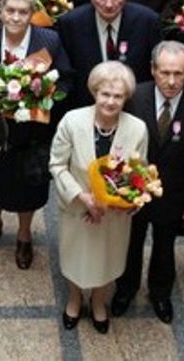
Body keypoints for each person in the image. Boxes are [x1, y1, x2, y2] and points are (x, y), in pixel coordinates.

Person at [0, 0, 73, 269]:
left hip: (32, 131)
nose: (15, 17)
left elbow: (66, 79)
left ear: (32, 12)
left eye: (23, 12)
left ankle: (25, 234)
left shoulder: (49, 40)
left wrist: (42, 97)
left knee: (29, 186)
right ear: (0, 10)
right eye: (10, 10)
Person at [113, 42, 184, 323]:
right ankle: (125, 289)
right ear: (152, 70)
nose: (171, 81)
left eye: (178, 73)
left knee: (164, 246)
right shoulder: (134, 98)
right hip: (134, 191)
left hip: (174, 194)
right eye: (165, 73)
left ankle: (160, 293)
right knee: (130, 243)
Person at [49, 60, 146, 333]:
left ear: (126, 98)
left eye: (118, 96)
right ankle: (74, 299)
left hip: (113, 214)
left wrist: (128, 201)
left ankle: (99, 301)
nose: (111, 102)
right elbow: (57, 165)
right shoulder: (72, 121)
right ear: (94, 92)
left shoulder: (137, 128)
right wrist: (83, 197)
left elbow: (140, 172)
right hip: (78, 208)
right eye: (105, 94)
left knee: (107, 259)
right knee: (75, 257)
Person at [56, 0, 162, 112]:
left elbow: (152, 73)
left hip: (134, 109)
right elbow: (67, 75)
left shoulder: (147, 22)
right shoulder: (71, 24)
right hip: (86, 109)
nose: (109, 4)